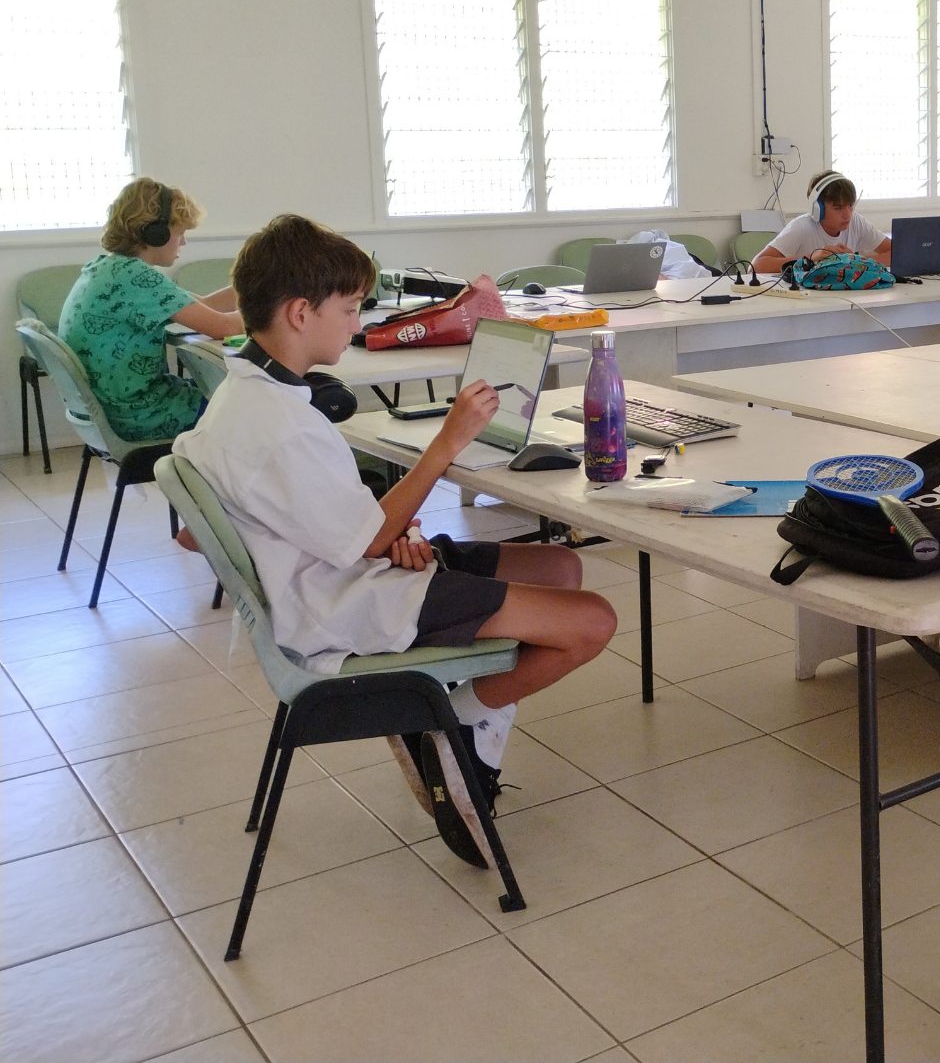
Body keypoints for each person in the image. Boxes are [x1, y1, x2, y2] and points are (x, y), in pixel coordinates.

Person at [172, 214, 617, 868]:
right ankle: (458, 726)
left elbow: (193, 533)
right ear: (301, 313)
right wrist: (449, 442)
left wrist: (384, 534)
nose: (357, 324)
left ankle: (455, 722)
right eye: (350, 309)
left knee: (556, 566)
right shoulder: (281, 425)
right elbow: (367, 539)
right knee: (592, 623)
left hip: (340, 572)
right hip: (343, 604)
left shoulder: (241, 397)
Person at [59, 177, 243, 441]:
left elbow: (204, 306)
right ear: (155, 233)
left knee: (236, 397)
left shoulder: (110, 269)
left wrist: (259, 286)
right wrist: (276, 308)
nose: (183, 243)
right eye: (180, 233)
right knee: (251, 407)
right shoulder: (136, 278)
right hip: (143, 415)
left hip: (118, 411)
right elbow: (224, 326)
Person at [751, 170, 891, 274]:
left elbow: (896, 253)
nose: (847, 215)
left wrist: (857, 260)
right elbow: (756, 266)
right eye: (838, 208)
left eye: (850, 206)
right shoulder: (801, 227)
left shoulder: (856, 222)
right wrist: (809, 260)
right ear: (818, 209)